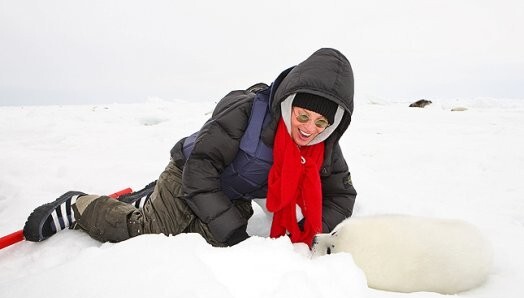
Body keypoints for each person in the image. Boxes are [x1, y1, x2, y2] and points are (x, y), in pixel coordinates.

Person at [23, 48, 357, 247]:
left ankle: (150, 199)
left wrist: (312, 231)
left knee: (209, 242)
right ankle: (78, 206)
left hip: (228, 195)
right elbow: (200, 169)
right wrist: (230, 230)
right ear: (290, 103)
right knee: (150, 232)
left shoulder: (322, 146)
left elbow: (342, 196)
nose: (309, 129)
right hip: (188, 175)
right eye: (303, 115)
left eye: (321, 123)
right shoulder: (247, 113)